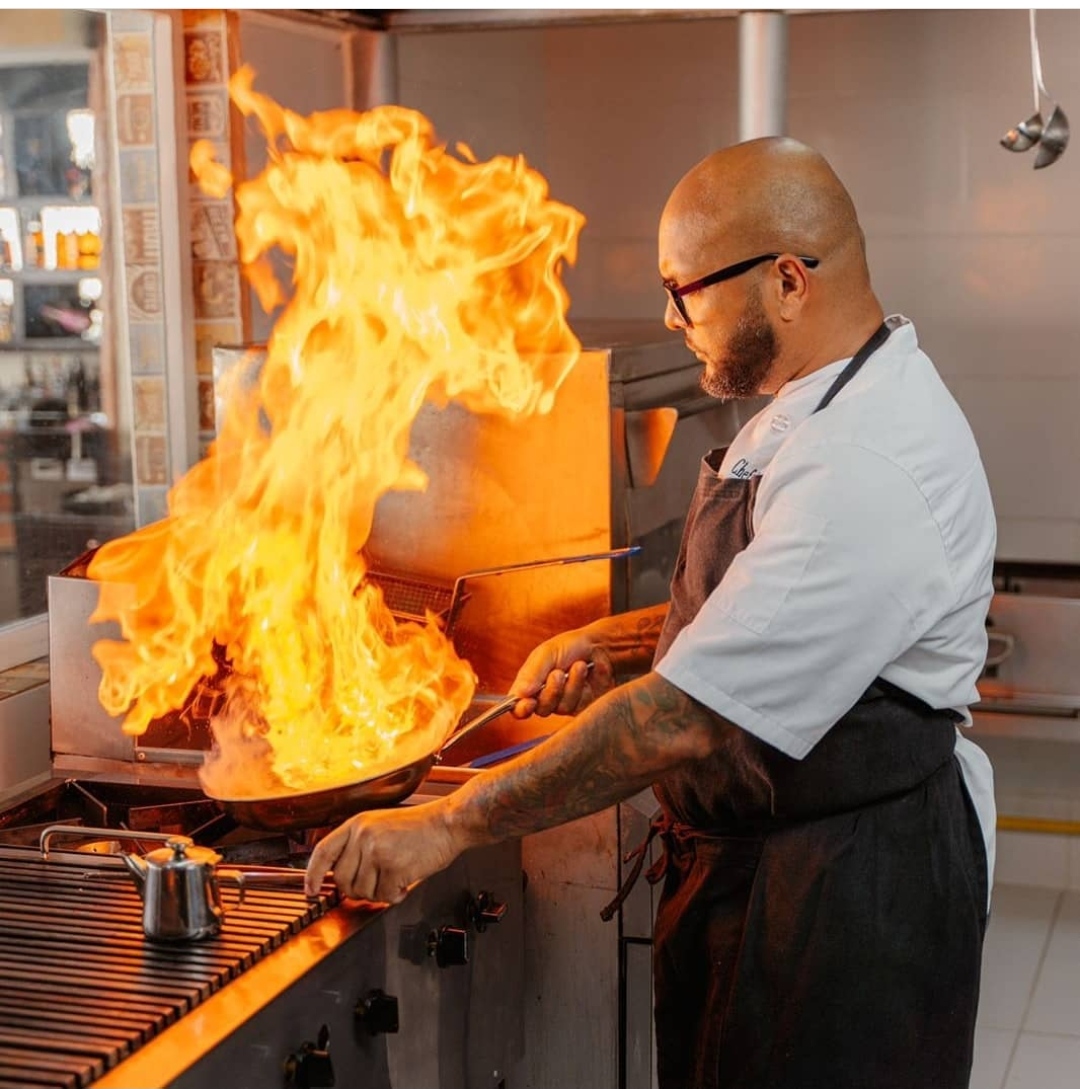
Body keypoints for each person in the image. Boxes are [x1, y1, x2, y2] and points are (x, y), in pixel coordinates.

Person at [306, 136, 997, 1089]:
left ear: (788, 281)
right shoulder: (822, 400)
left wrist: (448, 825)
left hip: (837, 904)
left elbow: (684, 717)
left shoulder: (865, 465)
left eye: (687, 291)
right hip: (780, 865)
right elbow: (764, 615)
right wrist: (618, 638)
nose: (669, 318)